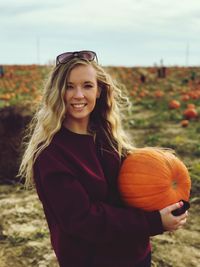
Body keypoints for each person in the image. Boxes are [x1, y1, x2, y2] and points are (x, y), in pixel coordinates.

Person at [19, 50, 188, 267]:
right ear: (56, 92)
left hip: (136, 256)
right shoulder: (51, 155)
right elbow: (83, 221)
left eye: (87, 85)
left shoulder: (107, 137)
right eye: (69, 86)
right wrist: (154, 222)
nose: (78, 95)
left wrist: (171, 200)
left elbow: (140, 185)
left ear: (99, 91)